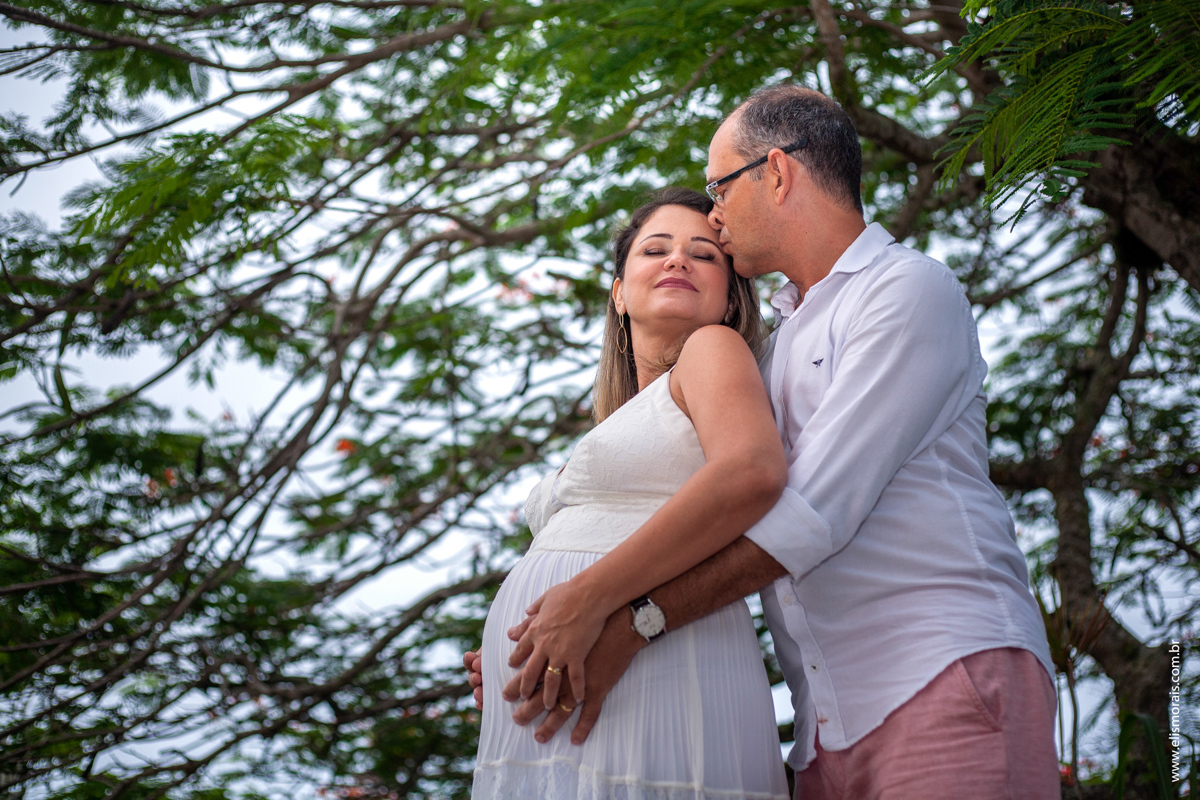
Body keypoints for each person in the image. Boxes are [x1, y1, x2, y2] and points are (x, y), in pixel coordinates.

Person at [472, 85, 1059, 800]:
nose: (714, 217)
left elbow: (812, 512)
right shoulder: (777, 350)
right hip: (823, 718)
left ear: (776, 173)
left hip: (935, 670)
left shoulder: (905, 291)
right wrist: (540, 643)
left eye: (720, 188)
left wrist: (624, 620)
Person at [471, 187, 791, 799]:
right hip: (559, 688)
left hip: (656, 664)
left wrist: (587, 599)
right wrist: (516, 645)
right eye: (655, 249)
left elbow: (751, 472)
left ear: (730, 300)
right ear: (618, 291)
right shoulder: (619, 422)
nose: (678, 261)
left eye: (704, 255)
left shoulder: (711, 349)